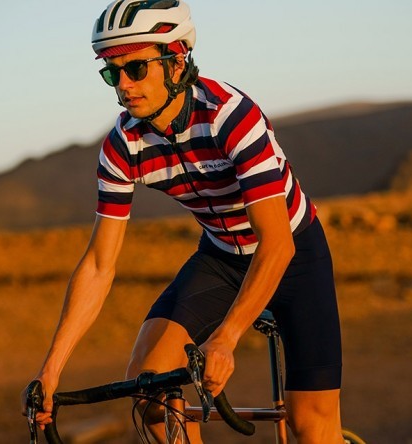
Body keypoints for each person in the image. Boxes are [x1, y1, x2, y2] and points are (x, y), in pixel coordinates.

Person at [24, 1, 343, 442]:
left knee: (309, 422)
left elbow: (277, 244)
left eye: (136, 68)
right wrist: (51, 369)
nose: (124, 85)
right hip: (222, 257)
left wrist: (226, 338)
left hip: (292, 253)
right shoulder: (123, 146)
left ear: (176, 61)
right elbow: (98, 265)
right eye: (112, 73)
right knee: (149, 391)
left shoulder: (230, 116)